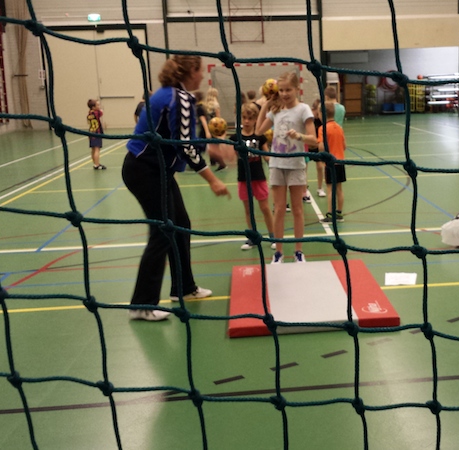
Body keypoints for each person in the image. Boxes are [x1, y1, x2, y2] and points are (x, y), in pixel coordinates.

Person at [123, 54, 230, 322]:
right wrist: (213, 179)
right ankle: (142, 305)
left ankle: (184, 287)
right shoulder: (179, 98)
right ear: (189, 72)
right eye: (200, 71)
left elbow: (178, 138)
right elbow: (184, 146)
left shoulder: (170, 95)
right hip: (145, 170)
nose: (202, 75)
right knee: (162, 232)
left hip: (156, 170)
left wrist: (208, 147)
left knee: (180, 224)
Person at [256, 71, 317, 264]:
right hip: (277, 165)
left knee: (297, 209)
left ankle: (298, 251)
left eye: (288, 90)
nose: (284, 94)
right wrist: (266, 105)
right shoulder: (276, 111)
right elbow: (258, 131)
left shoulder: (304, 109)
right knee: (279, 209)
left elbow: (314, 140)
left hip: (296, 165)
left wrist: (299, 136)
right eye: (281, 90)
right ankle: (279, 252)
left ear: (297, 89)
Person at [218, 103, 275, 250]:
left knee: (265, 208)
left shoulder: (260, 136)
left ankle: (273, 235)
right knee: (248, 210)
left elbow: (266, 156)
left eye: (250, 118)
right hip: (243, 178)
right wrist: (221, 139)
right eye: (244, 118)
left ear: (256, 119)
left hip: (259, 177)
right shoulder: (236, 137)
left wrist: (275, 158)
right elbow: (230, 158)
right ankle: (253, 237)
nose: (247, 121)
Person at [317, 102, 347, 223]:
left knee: (330, 189)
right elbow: (344, 146)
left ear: (322, 114)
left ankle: (330, 214)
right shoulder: (339, 128)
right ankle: (339, 213)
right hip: (340, 162)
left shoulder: (322, 128)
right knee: (339, 189)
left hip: (330, 163)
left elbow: (321, 147)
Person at [309, 98, 326, 198]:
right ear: (313, 109)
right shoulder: (309, 119)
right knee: (303, 167)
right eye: (317, 111)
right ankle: (304, 188)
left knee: (320, 167)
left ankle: (320, 188)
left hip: (317, 147)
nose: (318, 114)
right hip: (308, 146)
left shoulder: (321, 121)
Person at [86, 99, 106, 170]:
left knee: (93, 149)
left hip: (91, 132)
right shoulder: (97, 113)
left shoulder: (89, 114)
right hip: (97, 133)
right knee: (97, 149)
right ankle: (97, 165)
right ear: (93, 107)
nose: (99, 106)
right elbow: (102, 112)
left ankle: (95, 163)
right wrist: (101, 109)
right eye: (97, 105)